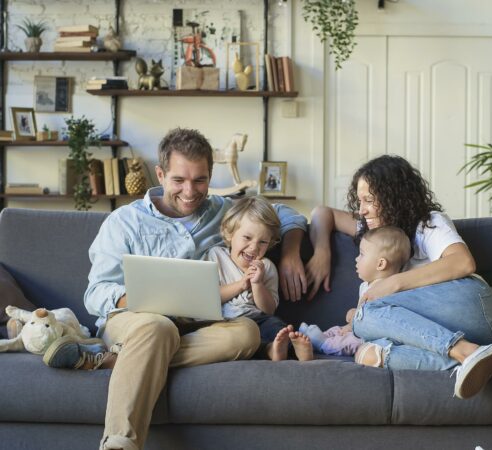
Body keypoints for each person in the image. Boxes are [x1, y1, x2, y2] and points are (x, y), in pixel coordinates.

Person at [42, 128, 308, 450]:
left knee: (247, 334)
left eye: (200, 180)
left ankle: (118, 360)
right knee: (158, 326)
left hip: (198, 327)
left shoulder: (224, 211)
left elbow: (285, 215)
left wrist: (292, 253)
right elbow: (96, 293)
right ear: (161, 174)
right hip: (137, 322)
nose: (190, 191)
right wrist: (146, 300)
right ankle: (119, 443)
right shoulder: (123, 222)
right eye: (179, 180)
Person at [306, 155, 492, 399]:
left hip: (475, 308)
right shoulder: (373, 231)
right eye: (360, 201)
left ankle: (464, 351)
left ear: (394, 198)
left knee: (365, 314)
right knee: (369, 352)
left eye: (369, 200)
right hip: (463, 333)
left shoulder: (428, 224)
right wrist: (321, 253)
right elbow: (322, 213)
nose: (361, 210)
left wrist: (392, 284)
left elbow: (463, 262)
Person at [206, 196, 313, 361]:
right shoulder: (216, 256)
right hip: (224, 321)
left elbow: (268, 309)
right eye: (247, 238)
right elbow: (210, 297)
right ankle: (271, 350)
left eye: (262, 241)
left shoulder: (267, 266)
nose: (254, 247)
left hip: (258, 318)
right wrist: (241, 285)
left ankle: (293, 351)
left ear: (270, 243)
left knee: (277, 327)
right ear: (229, 234)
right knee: (240, 337)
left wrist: (257, 284)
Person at [300, 226, 410, 357]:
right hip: (359, 329)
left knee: (351, 341)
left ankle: (324, 344)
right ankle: (317, 337)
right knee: (338, 329)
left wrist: (354, 318)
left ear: (380, 264)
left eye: (362, 254)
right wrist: (351, 322)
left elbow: (374, 322)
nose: (356, 259)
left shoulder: (385, 291)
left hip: (371, 338)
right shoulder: (365, 285)